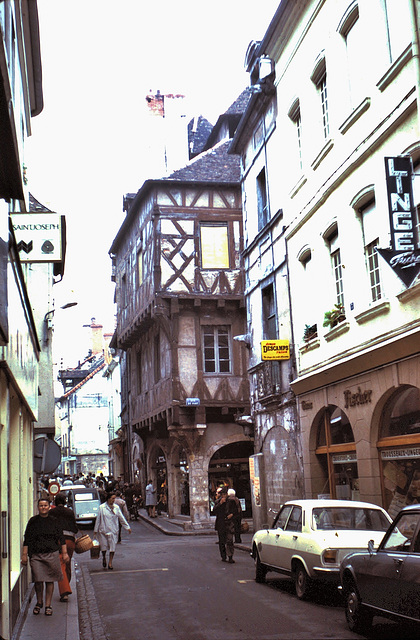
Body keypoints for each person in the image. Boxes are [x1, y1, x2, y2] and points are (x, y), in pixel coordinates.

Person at [21, 497, 69, 616]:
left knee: (49, 580)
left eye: (45, 505)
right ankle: (39, 602)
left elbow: (61, 538)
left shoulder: (54, 521)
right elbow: (27, 538)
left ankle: (48, 605)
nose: (43, 507)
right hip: (36, 555)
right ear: (38, 507)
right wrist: (24, 555)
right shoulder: (33, 521)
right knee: (38, 579)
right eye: (41, 505)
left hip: (51, 554)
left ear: (49, 507)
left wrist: (64, 553)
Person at [48, 492, 78, 602]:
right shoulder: (70, 512)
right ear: (65, 502)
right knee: (67, 563)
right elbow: (75, 528)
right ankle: (67, 585)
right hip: (70, 541)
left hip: (58, 541)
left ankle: (65, 591)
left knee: (61, 564)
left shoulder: (51, 512)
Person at [94, 491, 131, 570]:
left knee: (112, 547)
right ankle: (104, 557)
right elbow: (98, 519)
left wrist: (127, 527)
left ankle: (110, 562)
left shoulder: (116, 508)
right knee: (104, 547)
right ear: (108, 499)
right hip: (103, 530)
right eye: (112, 498)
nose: (114, 500)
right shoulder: (102, 507)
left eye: (114, 498)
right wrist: (95, 530)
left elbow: (121, 518)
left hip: (113, 530)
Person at [213, 486, 228, 562]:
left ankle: (230, 556)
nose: (224, 496)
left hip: (228, 523)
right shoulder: (217, 502)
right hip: (220, 523)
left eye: (225, 494)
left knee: (229, 540)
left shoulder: (230, 501)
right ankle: (223, 556)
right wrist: (220, 503)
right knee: (221, 541)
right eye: (222, 494)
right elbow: (214, 510)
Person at [226, 488, 242, 554]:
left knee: (235, 527)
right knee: (238, 526)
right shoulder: (237, 499)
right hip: (239, 515)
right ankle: (238, 538)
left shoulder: (230, 500)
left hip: (234, 516)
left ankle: (236, 539)